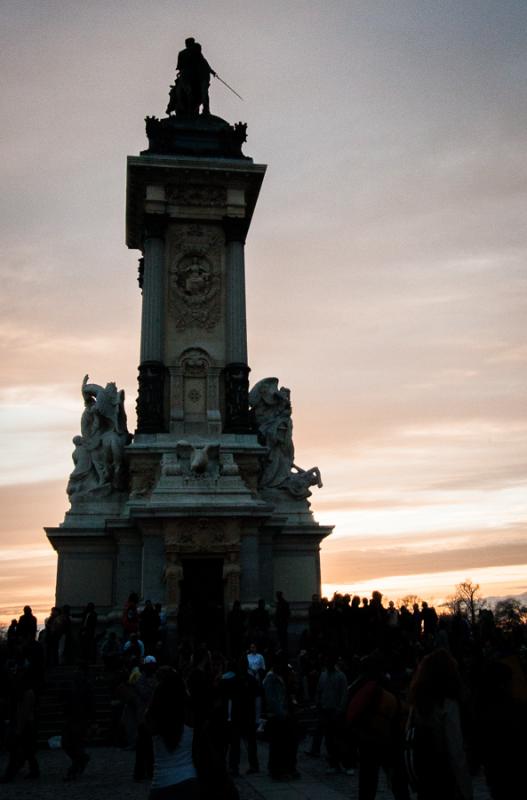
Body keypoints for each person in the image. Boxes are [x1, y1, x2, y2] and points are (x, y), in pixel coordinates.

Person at [407, 649, 472, 800]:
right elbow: (455, 750)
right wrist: (466, 789)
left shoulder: (417, 702)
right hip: (444, 777)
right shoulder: (448, 704)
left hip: (424, 776)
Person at [146, 667, 199, 799]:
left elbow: (149, 711)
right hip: (189, 780)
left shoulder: (153, 718)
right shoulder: (189, 716)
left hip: (161, 783)